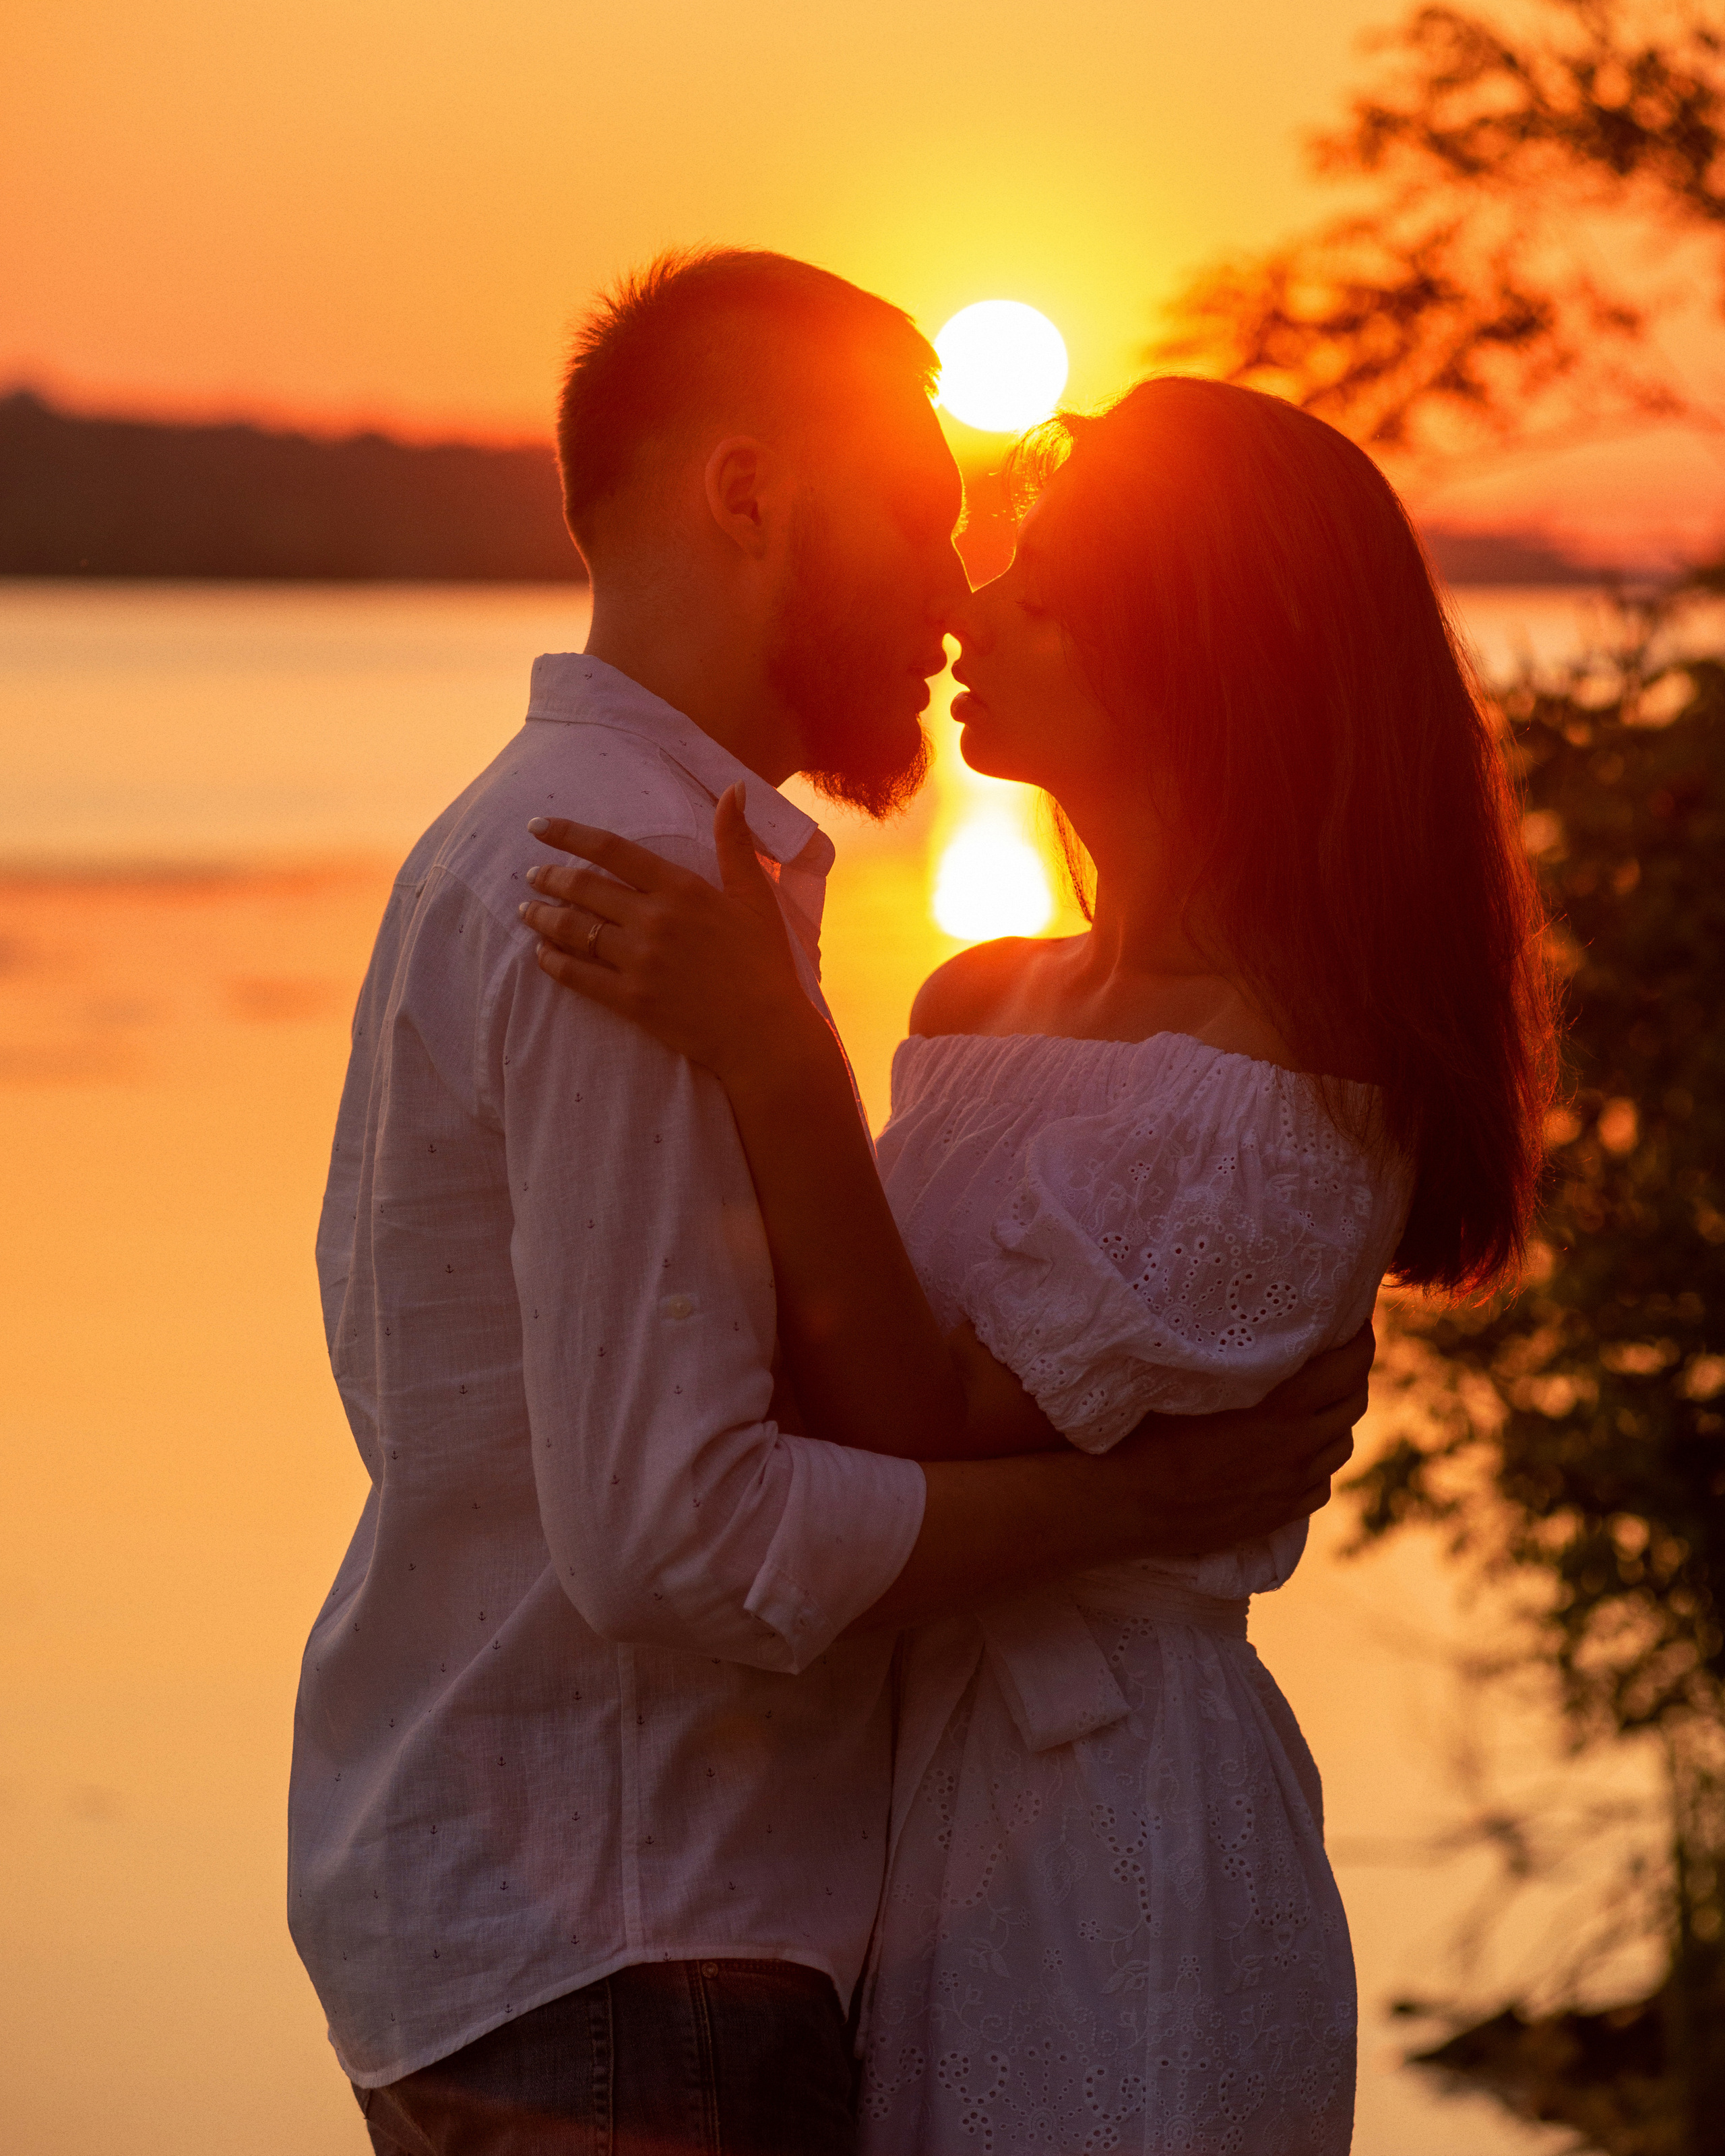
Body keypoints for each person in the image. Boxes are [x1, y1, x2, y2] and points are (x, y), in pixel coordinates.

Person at [289, 250, 1373, 2156]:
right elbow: (679, 1539)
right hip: (636, 1932)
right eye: (927, 524)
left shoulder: (588, 861)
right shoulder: (623, 890)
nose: (955, 599)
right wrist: (1125, 1509)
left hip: (640, 1925)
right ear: (750, 495)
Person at [520, 375, 1557, 2153]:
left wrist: (774, 1049)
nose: (971, 607)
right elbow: (818, 1367)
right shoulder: (983, 997)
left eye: (1049, 586)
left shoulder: (1283, 1085)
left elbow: (914, 1411)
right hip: (909, 1801)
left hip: (1110, 1831)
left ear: (1197, 657)